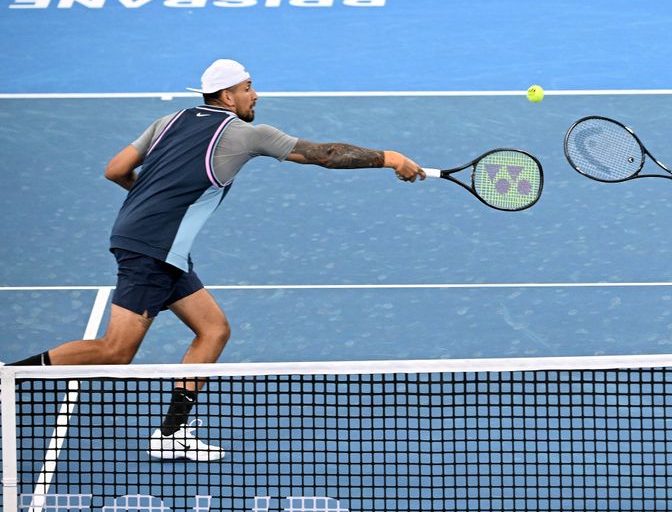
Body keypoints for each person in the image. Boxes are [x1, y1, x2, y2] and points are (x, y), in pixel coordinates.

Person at [6, 59, 426, 462]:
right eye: (247, 88)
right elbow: (325, 153)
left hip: (156, 244)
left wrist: (153, 203)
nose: (255, 95)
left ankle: (171, 434)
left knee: (213, 329)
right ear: (227, 96)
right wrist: (389, 157)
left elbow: (115, 170)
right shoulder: (246, 135)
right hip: (152, 250)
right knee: (116, 351)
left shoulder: (167, 122)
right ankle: (7, 377)